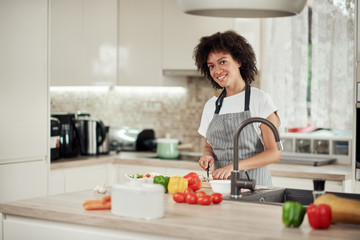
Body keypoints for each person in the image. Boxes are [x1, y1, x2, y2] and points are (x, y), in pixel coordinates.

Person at [194, 30, 281, 186]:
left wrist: (234, 167)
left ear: (239, 60)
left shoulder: (260, 100)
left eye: (223, 62)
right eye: (211, 66)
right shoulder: (211, 106)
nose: (217, 71)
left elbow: (274, 153)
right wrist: (207, 156)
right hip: (221, 189)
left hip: (256, 189)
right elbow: (209, 145)